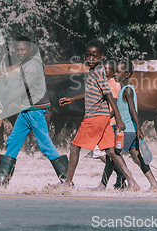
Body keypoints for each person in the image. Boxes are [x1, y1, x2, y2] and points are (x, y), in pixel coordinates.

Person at [55, 39, 139, 190]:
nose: (91, 59)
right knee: (111, 151)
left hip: (95, 117)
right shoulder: (94, 71)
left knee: (75, 147)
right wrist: (72, 98)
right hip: (103, 117)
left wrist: (119, 118)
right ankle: (132, 182)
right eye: (88, 55)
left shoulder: (98, 71)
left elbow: (108, 95)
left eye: (95, 55)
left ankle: (67, 183)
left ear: (102, 56)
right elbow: (93, 91)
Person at [0, 36, 68, 186]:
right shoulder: (27, 64)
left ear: (31, 49)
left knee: (45, 145)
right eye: (17, 49)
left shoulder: (32, 66)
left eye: (22, 49)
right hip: (27, 110)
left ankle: (66, 180)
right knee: (12, 142)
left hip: (35, 111)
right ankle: (2, 181)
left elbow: (22, 88)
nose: (19, 52)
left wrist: (0, 104)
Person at [95, 60, 157, 192]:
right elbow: (119, 108)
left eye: (118, 72)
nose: (115, 74)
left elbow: (133, 111)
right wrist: (108, 118)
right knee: (136, 157)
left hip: (127, 131)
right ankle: (154, 184)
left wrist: (139, 128)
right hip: (130, 130)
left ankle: (131, 182)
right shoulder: (123, 90)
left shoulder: (128, 90)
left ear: (127, 74)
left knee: (111, 153)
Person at [90, 60, 127, 190]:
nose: (103, 72)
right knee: (108, 155)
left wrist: (106, 119)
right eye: (102, 70)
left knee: (101, 152)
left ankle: (121, 174)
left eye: (106, 70)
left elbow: (114, 106)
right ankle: (118, 178)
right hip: (105, 123)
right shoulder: (105, 84)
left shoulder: (113, 85)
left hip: (110, 124)